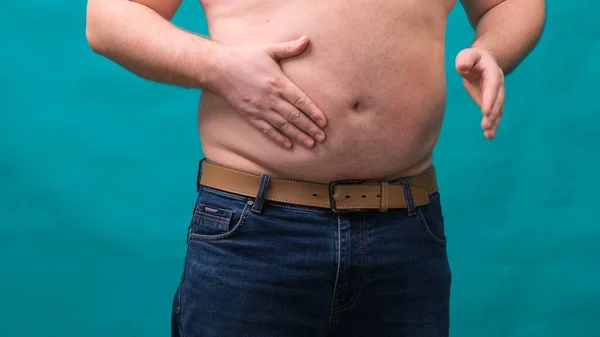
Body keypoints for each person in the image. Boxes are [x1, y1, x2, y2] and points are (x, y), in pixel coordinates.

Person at [85, 0, 546, 335]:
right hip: (255, 232)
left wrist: (494, 50)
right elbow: (108, 17)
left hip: (405, 232)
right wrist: (219, 66)